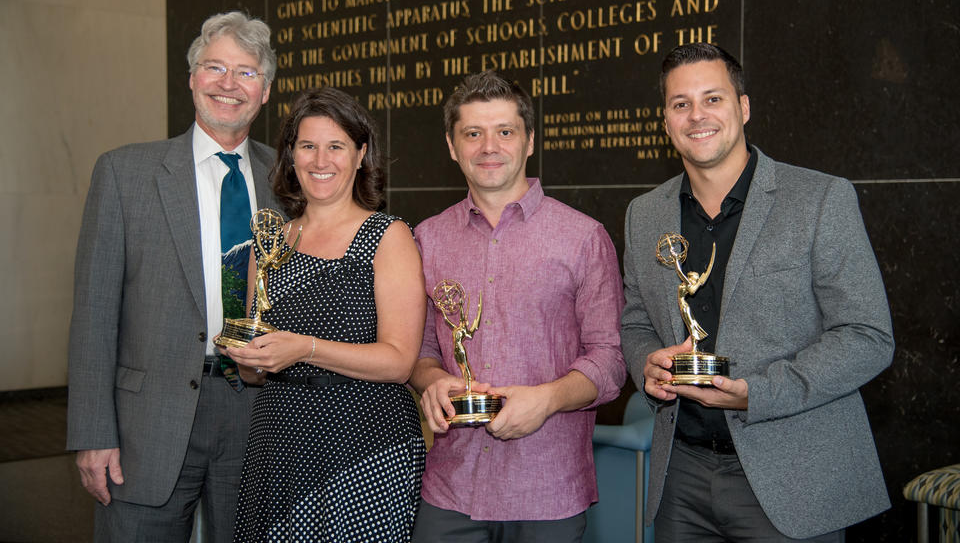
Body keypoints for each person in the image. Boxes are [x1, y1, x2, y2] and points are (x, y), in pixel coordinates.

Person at [620, 43, 894, 541]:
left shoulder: (820, 199)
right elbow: (636, 321)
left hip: (793, 477)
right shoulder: (646, 215)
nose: (696, 115)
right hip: (679, 477)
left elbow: (867, 336)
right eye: (680, 103)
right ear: (665, 121)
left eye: (713, 99)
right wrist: (647, 362)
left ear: (743, 108)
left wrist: (756, 394)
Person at [67, 11, 280, 541]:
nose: (228, 84)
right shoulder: (124, 173)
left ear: (267, 91)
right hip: (147, 423)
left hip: (259, 412)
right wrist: (93, 433)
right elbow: (94, 313)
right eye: (214, 67)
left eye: (246, 72)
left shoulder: (290, 179)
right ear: (191, 78)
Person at [410, 69, 627, 542]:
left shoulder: (583, 237)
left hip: (547, 487)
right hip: (451, 486)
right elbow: (421, 352)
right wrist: (431, 382)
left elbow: (610, 361)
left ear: (529, 141)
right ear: (452, 146)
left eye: (505, 131)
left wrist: (546, 400)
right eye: (473, 133)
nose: (489, 146)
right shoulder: (426, 239)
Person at [221, 87, 427, 542]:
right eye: (308, 146)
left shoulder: (388, 237)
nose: (321, 160)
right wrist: (248, 359)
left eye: (336, 146)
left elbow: (399, 363)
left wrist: (305, 348)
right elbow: (256, 372)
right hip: (279, 440)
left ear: (360, 155)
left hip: (365, 443)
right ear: (290, 156)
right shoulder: (268, 241)